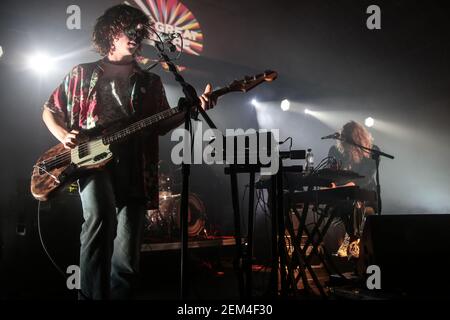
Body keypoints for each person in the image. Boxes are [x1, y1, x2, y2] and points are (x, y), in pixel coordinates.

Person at [41, 4, 215, 299]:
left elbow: (161, 123)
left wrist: (194, 109)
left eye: (137, 28)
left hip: (137, 164)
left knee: (128, 246)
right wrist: (63, 134)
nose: (134, 34)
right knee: (100, 215)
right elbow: (49, 110)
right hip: (92, 162)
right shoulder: (81, 73)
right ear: (110, 32)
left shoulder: (151, 81)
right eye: (127, 27)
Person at [326, 121, 379, 258]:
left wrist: (344, 186)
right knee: (343, 205)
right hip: (343, 196)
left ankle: (352, 241)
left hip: (366, 196)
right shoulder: (336, 151)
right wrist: (332, 184)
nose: (342, 141)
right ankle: (350, 241)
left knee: (356, 204)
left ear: (355, 138)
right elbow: (331, 174)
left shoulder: (373, 151)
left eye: (346, 137)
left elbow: (364, 179)